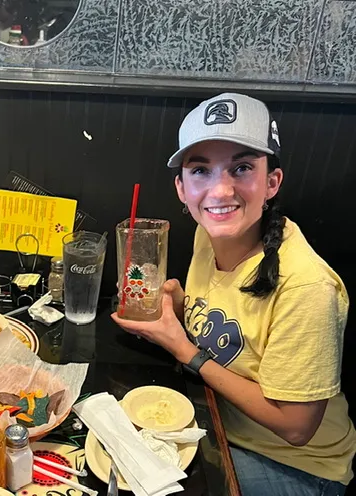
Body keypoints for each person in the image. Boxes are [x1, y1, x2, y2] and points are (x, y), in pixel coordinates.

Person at [112, 93, 356, 495]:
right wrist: (179, 304)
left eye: (241, 168)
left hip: (295, 466)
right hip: (217, 425)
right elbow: (232, 319)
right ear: (181, 188)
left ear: (272, 182)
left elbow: (296, 428)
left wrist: (185, 351)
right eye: (201, 170)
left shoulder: (307, 286)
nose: (220, 191)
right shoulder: (207, 235)